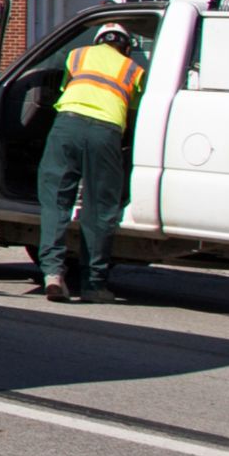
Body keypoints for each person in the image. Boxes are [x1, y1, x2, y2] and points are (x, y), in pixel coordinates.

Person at [33, 22, 147, 304]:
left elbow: (61, 88)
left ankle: (52, 274)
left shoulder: (77, 55)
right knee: (99, 209)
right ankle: (94, 284)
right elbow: (132, 113)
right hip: (106, 132)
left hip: (67, 126)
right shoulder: (134, 70)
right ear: (127, 46)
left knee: (56, 201)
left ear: (98, 41)